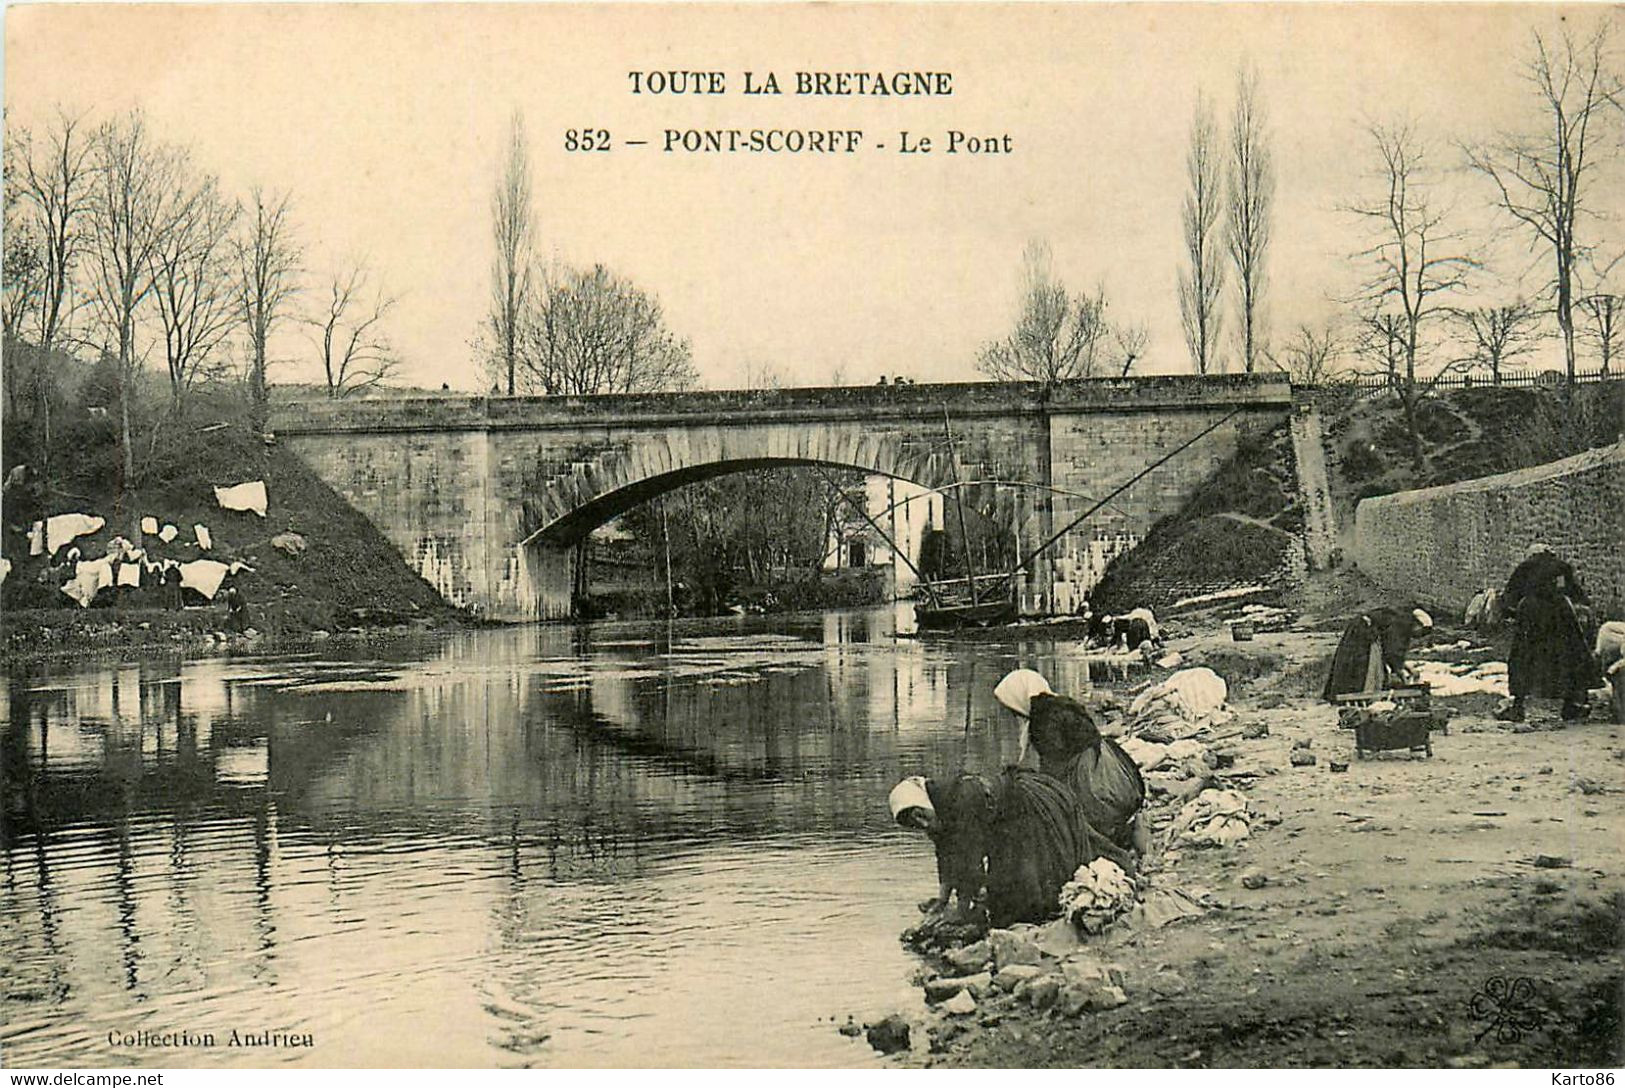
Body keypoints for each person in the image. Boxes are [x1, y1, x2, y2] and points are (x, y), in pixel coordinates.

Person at [890, 767, 1118, 929]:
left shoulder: (959, 800)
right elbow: (946, 854)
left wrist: (960, 911)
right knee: (1003, 892)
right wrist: (941, 899)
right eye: (914, 823)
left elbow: (970, 859)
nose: (922, 824)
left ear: (923, 802)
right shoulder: (937, 808)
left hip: (1022, 807)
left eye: (920, 816)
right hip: (1001, 821)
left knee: (1029, 889)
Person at [993, 669, 1149, 857]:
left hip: (1093, 782)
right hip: (1116, 773)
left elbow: (1054, 767)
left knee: (1068, 820)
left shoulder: (1043, 721)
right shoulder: (1061, 704)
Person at [1498, 545, 1598, 722]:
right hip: (1560, 614)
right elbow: (1576, 593)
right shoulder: (1561, 566)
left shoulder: (1525, 567)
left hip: (1532, 614)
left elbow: (1510, 596)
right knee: (1570, 655)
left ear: (1532, 554)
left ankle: (1518, 706)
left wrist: (1510, 612)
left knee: (1523, 657)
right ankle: (1571, 705)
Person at [1321, 606, 1433, 703]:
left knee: (1357, 666)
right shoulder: (1402, 624)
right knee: (1367, 667)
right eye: (1421, 632)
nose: (1417, 637)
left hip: (1361, 631)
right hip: (1365, 633)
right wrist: (1400, 671)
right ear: (1417, 624)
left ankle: (1354, 694)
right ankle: (1364, 696)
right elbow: (1393, 651)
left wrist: (1405, 668)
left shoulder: (1401, 620)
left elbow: (1391, 651)